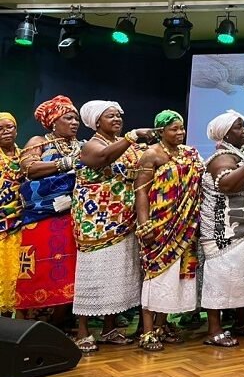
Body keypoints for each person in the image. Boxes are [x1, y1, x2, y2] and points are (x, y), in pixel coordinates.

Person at [71, 100, 156, 353]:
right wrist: (133, 136)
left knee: (117, 277)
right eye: (111, 116)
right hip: (96, 223)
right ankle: (83, 331)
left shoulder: (125, 145)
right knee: (93, 276)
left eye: (119, 115)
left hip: (124, 220)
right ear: (97, 122)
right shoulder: (90, 145)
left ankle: (109, 328)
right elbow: (102, 158)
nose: (117, 119)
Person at [133, 110, 204, 351]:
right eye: (174, 129)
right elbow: (141, 191)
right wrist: (145, 225)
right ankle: (147, 332)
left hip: (185, 225)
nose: (180, 132)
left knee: (175, 276)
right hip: (159, 224)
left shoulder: (189, 153)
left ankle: (161, 326)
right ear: (160, 131)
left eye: (181, 128)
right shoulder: (151, 155)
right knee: (155, 274)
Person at [200, 110, 244, 347]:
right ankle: (214, 330)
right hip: (225, 232)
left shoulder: (239, 153)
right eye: (239, 127)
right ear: (225, 134)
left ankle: (242, 322)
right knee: (220, 278)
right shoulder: (222, 157)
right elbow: (227, 185)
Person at [15, 97, 80, 324]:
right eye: (68, 118)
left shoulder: (82, 146)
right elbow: (29, 168)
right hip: (40, 218)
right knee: (38, 268)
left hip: (71, 217)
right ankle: (27, 323)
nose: (74, 123)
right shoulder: (39, 141)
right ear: (53, 121)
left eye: (76, 119)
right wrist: (64, 164)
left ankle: (60, 321)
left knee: (67, 269)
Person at [0, 112, 23, 317]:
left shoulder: (25, 156)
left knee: (16, 272)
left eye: (10, 127)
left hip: (20, 223)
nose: (5, 132)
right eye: (0, 129)